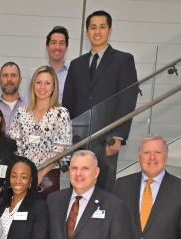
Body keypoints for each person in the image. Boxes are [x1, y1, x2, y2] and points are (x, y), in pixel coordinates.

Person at [62, 10, 138, 193]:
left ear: (110, 30)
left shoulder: (123, 60)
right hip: (79, 139)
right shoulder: (76, 64)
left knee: (104, 188)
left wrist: (117, 136)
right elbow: (68, 103)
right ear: (86, 32)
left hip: (107, 139)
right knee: (78, 185)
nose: (97, 31)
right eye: (93, 27)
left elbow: (127, 99)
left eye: (102, 27)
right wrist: (68, 138)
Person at [9, 66, 72, 200]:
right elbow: (13, 146)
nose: (42, 87)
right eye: (38, 82)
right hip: (22, 177)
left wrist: (41, 173)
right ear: (33, 85)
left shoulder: (61, 114)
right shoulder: (21, 113)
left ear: (54, 87)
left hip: (49, 177)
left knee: (46, 214)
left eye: (47, 83)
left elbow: (60, 149)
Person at [27, 26, 70, 103]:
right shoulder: (35, 76)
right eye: (53, 43)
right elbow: (29, 103)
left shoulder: (74, 74)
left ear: (66, 48)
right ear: (47, 47)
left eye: (61, 43)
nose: (57, 47)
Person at [0, 62, 28, 133]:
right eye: (5, 75)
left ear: (20, 80)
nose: (9, 79)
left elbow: (37, 135)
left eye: (13, 75)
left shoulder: (31, 107)